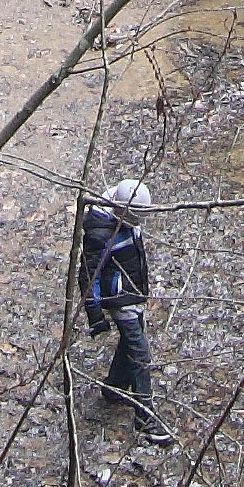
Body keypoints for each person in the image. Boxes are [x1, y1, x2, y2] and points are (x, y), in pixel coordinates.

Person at [70, 178, 158, 430]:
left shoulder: (126, 218)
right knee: (140, 354)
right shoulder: (101, 232)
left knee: (130, 344)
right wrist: (95, 315)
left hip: (133, 293)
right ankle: (146, 417)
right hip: (120, 299)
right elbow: (89, 275)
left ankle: (114, 387)